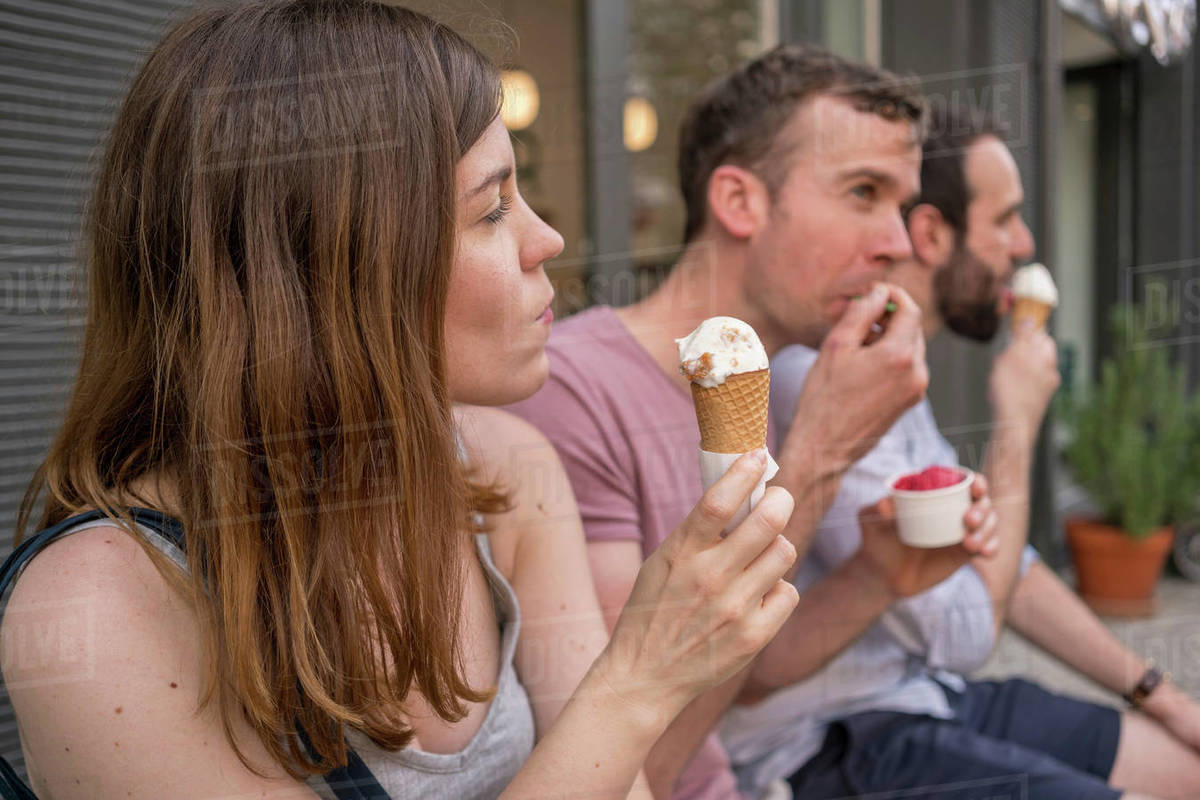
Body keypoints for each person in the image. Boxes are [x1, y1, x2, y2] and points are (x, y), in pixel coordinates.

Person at [0, 3, 802, 799]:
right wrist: (638, 680)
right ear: (322, 268)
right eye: (492, 208)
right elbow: (614, 723)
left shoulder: (505, 474)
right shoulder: (100, 605)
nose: (547, 240)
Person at [507, 45, 1001, 800]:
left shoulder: (780, 378)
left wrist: (877, 576)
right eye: (864, 192)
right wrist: (821, 456)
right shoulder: (574, 395)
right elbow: (639, 765)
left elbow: (748, 675)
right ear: (740, 201)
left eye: (900, 207)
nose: (900, 244)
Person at [738, 107, 1200, 799]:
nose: (1025, 243)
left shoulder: (895, 356)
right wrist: (1016, 424)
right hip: (834, 743)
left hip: (928, 697)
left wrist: (1160, 695)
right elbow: (965, 630)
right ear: (933, 233)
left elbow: (1007, 564)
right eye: (1006, 219)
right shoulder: (830, 373)